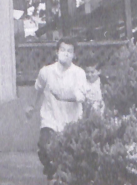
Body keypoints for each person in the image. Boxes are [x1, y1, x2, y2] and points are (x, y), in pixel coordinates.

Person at [26, 38, 87, 183]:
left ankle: (62, 178)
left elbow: (81, 96)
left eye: (69, 51)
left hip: (72, 122)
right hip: (50, 119)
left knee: (70, 157)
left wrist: (63, 96)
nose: (66, 54)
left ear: (74, 55)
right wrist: (31, 106)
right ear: (57, 52)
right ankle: (52, 175)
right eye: (63, 50)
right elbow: (38, 89)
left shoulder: (79, 73)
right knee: (44, 147)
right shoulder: (46, 72)